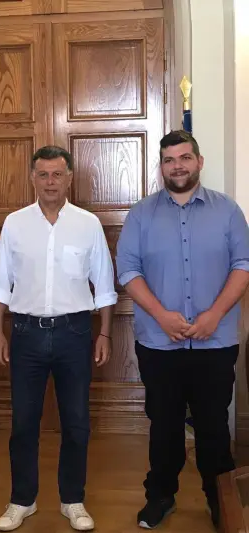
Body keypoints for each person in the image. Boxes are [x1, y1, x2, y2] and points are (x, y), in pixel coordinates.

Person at [116, 130, 249, 530]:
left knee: (213, 426)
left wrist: (214, 316)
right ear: (161, 167)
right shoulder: (141, 214)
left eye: (185, 157)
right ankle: (160, 496)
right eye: (169, 160)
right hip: (159, 343)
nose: (178, 166)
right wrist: (161, 315)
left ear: (199, 161)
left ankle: (220, 501)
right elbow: (128, 270)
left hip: (216, 340)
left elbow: (243, 265)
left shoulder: (228, 211)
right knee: (164, 426)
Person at [0, 145, 117, 531]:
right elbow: (0, 284)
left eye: (57, 174)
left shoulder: (87, 224)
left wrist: (105, 333)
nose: (50, 182)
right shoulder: (15, 223)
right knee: (23, 423)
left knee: (76, 422)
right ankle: (21, 500)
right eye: (42, 174)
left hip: (75, 334)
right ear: (33, 178)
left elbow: (104, 285)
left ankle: (72, 500)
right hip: (25, 334)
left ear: (69, 178)